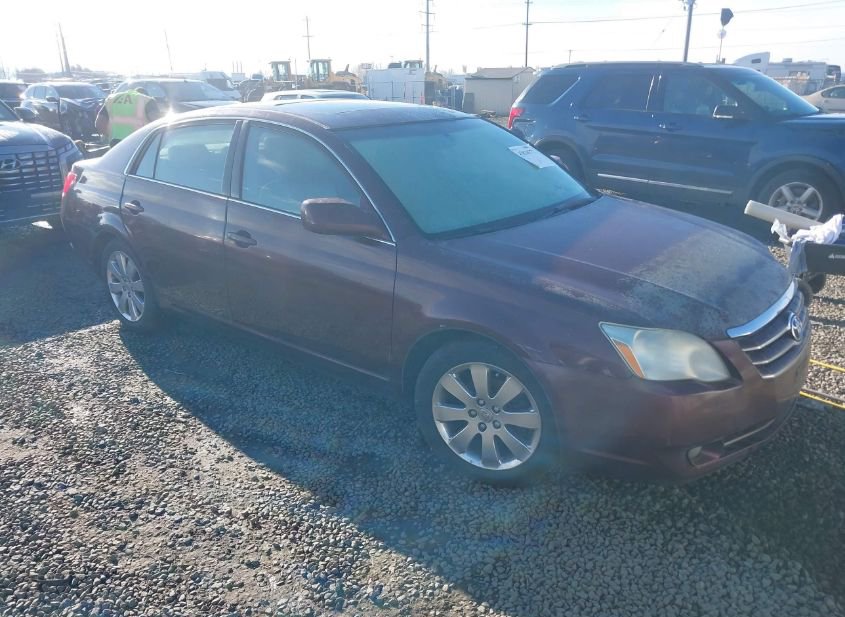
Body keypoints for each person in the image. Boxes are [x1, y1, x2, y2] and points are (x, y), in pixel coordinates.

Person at [95, 87, 161, 146]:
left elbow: (99, 123)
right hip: (139, 145)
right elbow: (158, 124)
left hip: (116, 144)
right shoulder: (147, 100)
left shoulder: (112, 99)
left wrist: (110, 136)